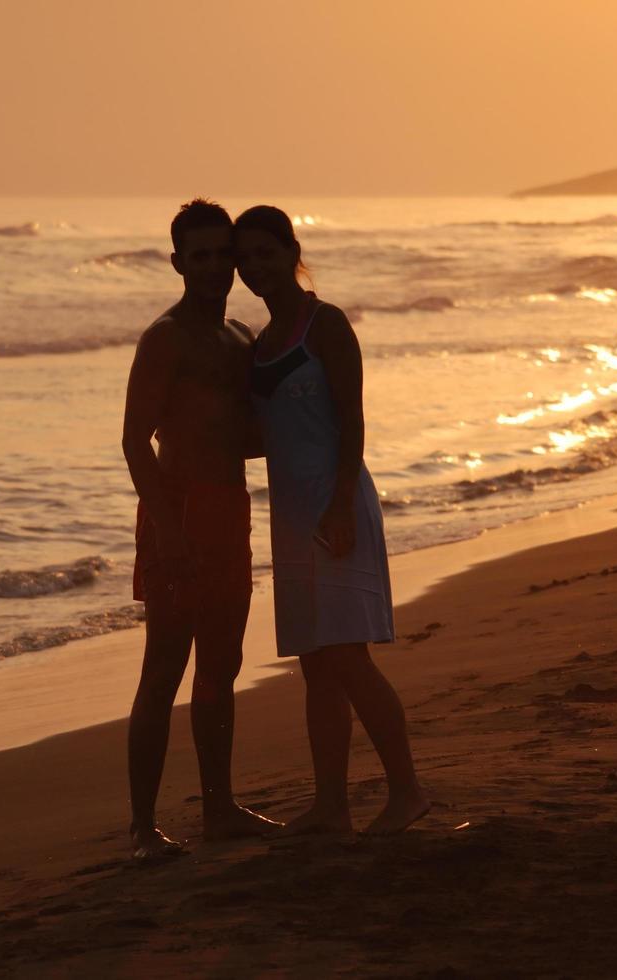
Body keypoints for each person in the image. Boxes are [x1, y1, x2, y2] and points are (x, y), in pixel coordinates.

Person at [234, 205, 430, 835]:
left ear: (292, 251)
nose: (255, 266)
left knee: (348, 659)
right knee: (316, 665)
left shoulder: (326, 324)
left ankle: (407, 792)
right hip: (290, 520)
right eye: (246, 258)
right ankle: (331, 804)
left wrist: (342, 503)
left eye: (266, 252)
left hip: (336, 505)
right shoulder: (259, 343)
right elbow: (263, 436)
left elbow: (353, 421)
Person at [123, 198, 281, 860]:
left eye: (225, 254)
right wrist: (169, 532)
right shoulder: (167, 338)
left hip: (230, 510)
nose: (216, 266)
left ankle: (220, 808)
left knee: (224, 663)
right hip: (178, 512)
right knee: (164, 667)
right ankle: (142, 828)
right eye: (202, 255)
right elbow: (135, 442)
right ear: (178, 263)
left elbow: (237, 435)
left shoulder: (240, 337)